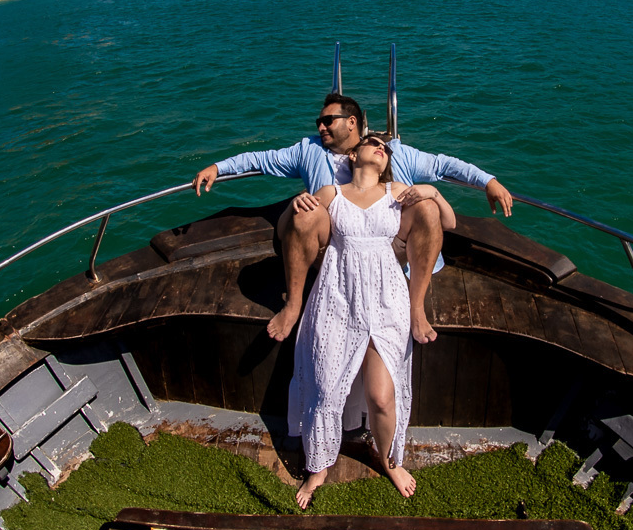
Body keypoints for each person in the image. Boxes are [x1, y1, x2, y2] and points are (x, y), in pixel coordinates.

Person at [193, 93, 512, 345]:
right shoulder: (309, 151)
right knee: (307, 213)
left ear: (352, 122)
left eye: (327, 121)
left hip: (390, 250)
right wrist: (218, 168)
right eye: (319, 121)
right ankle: (293, 305)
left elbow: (444, 165)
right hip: (334, 251)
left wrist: (488, 181)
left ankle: (416, 309)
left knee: (427, 207)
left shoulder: (390, 152)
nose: (320, 127)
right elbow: (260, 160)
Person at [287, 133, 456, 507]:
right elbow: (294, 225)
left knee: (382, 396)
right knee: (326, 391)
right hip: (339, 296)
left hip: (385, 299)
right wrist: (293, 204)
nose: (381, 147)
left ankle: (390, 460)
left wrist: (432, 192)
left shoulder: (397, 192)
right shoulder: (332, 192)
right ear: (354, 153)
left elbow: (448, 222)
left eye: (385, 147)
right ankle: (318, 469)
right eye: (373, 142)